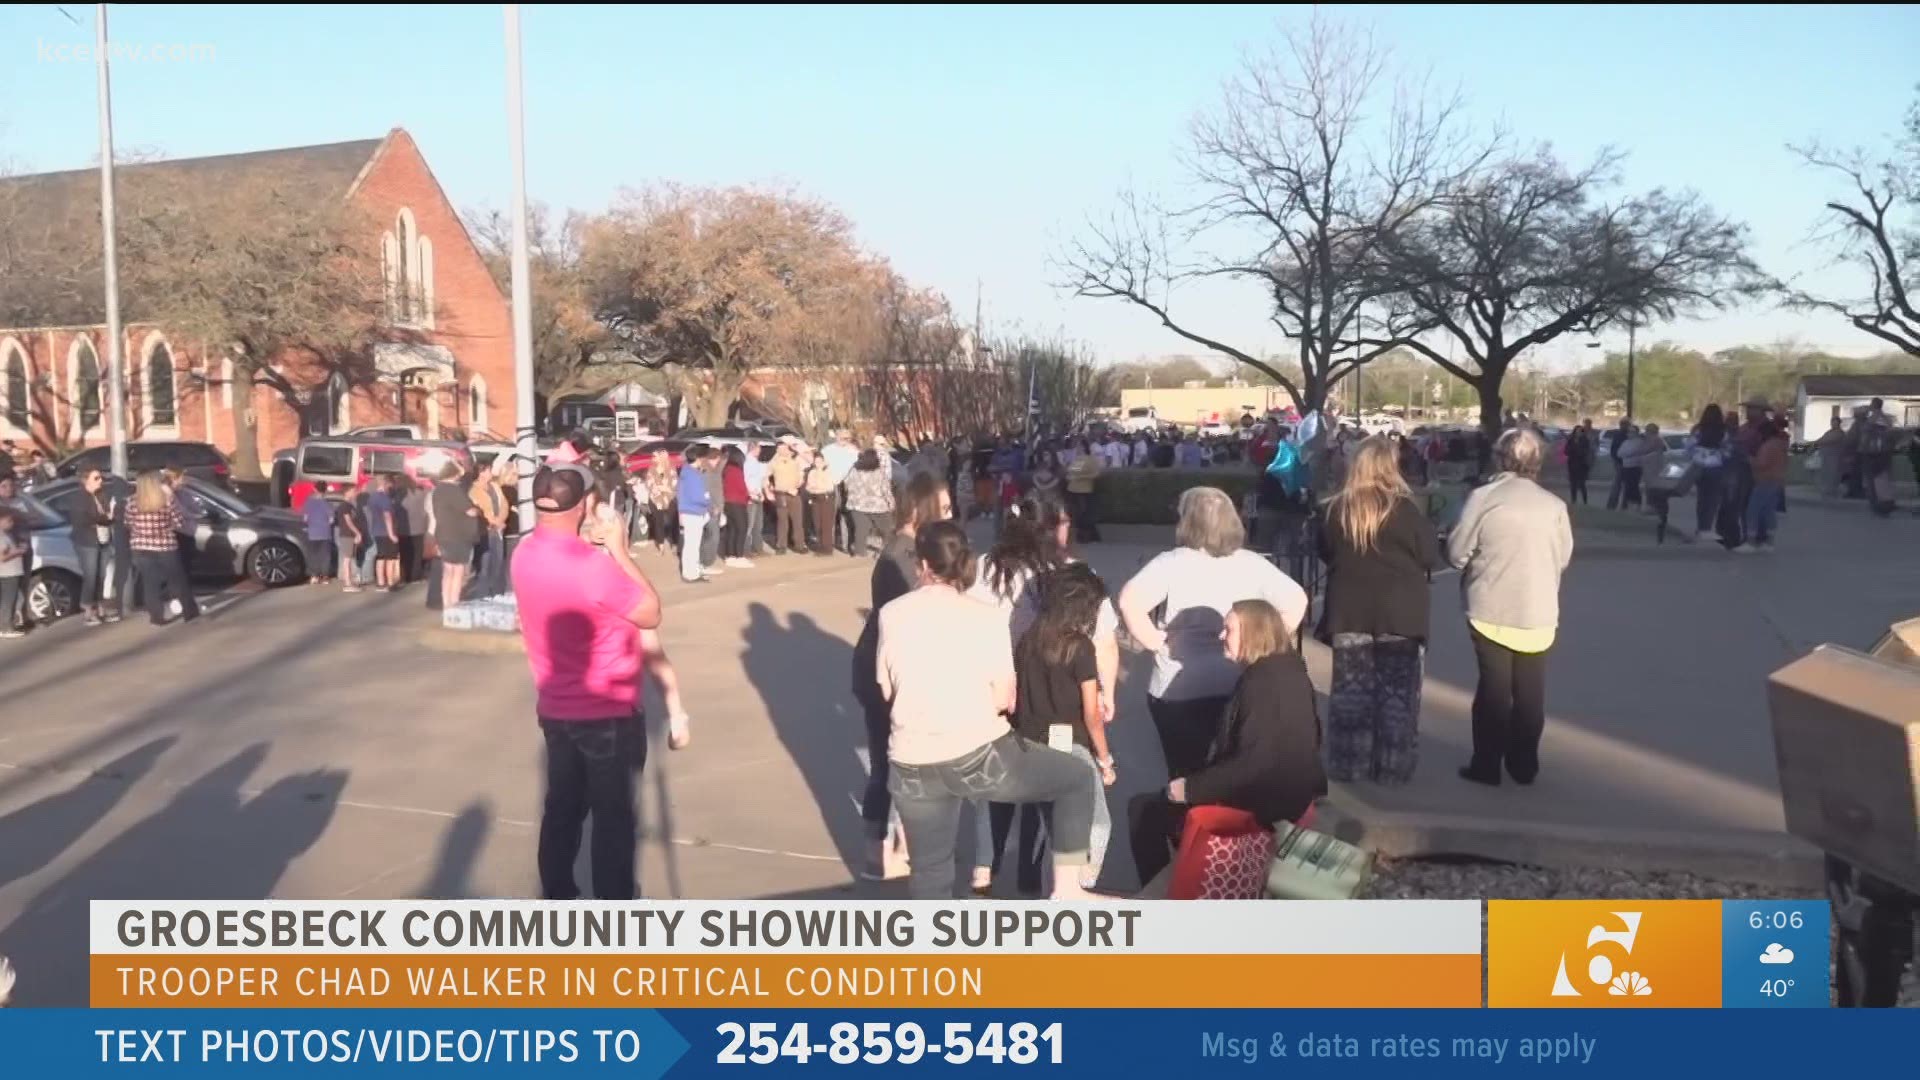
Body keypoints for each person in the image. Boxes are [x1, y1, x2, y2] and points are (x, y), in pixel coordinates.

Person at [874, 521, 1101, 901]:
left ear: (923, 565)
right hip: (978, 756)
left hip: (912, 758)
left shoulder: (891, 613)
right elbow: (1004, 699)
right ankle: (1067, 890)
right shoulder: (986, 616)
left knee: (931, 869)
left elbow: (886, 688)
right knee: (1076, 778)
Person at [510, 462, 664, 900]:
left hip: (556, 707)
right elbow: (650, 611)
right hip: (606, 711)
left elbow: (562, 562)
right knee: (613, 821)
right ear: (581, 506)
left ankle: (558, 896)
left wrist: (587, 544)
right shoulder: (593, 568)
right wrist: (618, 550)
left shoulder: (524, 553)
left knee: (562, 810)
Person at [1127, 598, 1325, 887]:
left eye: (1228, 629)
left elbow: (1254, 762)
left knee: (1144, 811)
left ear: (1253, 633)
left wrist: (1191, 789)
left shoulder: (1261, 683)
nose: (1220, 636)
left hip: (1268, 804)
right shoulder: (1290, 670)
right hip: (1292, 792)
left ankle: (1166, 892)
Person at [1117, 486, 1309, 779]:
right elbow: (1297, 600)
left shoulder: (1172, 562)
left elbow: (1128, 601)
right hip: (1233, 681)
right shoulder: (1252, 564)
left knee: (1183, 771)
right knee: (1226, 770)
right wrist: (1261, 645)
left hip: (1178, 687)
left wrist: (1156, 642)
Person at [1447, 428, 1572, 787]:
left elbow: (1457, 553)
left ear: (1499, 457)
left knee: (1494, 690)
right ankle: (1524, 763)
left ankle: (1487, 763)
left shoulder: (1484, 498)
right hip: (1539, 609)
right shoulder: (1554, 506)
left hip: (1491, 606)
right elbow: (1562, 557)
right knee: (1531, 691)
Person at [1318, 436, 1441, 785]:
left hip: (1350, 608)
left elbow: (1325, 552)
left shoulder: (1336, 509)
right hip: (1401, 611)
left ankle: (1348, 764)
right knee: (1397, 695)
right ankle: (1392, 767)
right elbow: (1430, 556)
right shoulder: (1406, 509)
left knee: (1350, 692)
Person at [849, 473, 950, 880]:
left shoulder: (910, 550)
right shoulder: (903, 557)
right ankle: (883, 852)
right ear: (923, 508)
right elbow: (912, 619)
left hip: (887, 669)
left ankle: (898, 846)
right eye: (943, 509)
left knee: (897, 765)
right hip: (887, 673)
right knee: (895, 766)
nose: (950, 515)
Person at [1010, 564, 1118, 892]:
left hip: (1031, 746)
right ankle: (1074, 893)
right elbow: (1091, 714)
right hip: (1068, 748)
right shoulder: (1079, 647)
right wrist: (1104, 759)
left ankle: (1054, 895)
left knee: (1057, 831)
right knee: (1096, 825)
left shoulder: (1029, 638)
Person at [126, 471, 200, 627]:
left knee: (150, 582)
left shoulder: (132, 502)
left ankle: (156, 617)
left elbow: (128, 522)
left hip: (140, 546)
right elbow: (179, 522)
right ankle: (190, 612)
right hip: (165, 545)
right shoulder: (165, 500)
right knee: (178, 580)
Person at [63, 468, 116, 625]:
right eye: (96, 478)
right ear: (86, 480)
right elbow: (83, 519)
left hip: (103, 538)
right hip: (86, 541)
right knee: (90, 576)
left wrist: (108, 517)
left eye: (101, 477)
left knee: (101, 575)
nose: (100, 480)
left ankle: (101, 608)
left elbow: (107, 515)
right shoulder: (79, 498)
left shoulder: (101, 495)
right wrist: (104, 518)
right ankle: (88, 610)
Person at [431, 462, 481, 606]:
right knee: (458, 570)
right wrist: (477, 509)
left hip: (443, 533)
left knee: (447, 570)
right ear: (454, 474)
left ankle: (446, 602)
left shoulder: (438, 490)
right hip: (458, 534)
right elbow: (470, 511)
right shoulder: (453, 490)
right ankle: (454, 601)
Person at [1736, 420, 1790, 553]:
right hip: (1776, 481)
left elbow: (1761, 464)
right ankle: (1769, 542)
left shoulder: (1768, 446)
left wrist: (1748, 459)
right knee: (1768, 512)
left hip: (1765, 481)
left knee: (1753, 511)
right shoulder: (1780, 444)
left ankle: (1751, 542)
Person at [1687, 404, 1731, 544]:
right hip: (1715, 466)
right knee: (1712, 500)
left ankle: (1700, 528)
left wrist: (1697, 455)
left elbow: (1689, 447)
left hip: (1699, 466)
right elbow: (1728, 451)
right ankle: (1706, 528)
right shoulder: (1723, 431)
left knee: (1702, 498)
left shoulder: (1698, 430)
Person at [471, 458, 513, 597]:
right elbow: (480, 509)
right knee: (485, 564)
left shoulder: (495, 486)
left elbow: (504, 504)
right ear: (481, 472)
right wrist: (494, 521)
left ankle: (497, 593)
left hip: (498, 530)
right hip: (485, 531)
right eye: (489, 470)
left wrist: (501, 519)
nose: (491, 472)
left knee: (499, 563)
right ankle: (483, 595)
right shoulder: (473, 490)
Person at [844, 449, 896, 557]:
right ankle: (887, 552)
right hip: (878, 506)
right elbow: (885, 490)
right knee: (886, 530)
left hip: (857, 505)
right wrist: (891, 503)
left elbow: (847, 484)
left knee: (861, 531)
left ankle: (860, 553)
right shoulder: (879, 472)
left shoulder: (854, 470)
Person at [675, 445, 713, 583]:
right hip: (694, 512)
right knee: (692, 545)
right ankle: (690, 573)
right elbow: (698, 496)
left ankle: (692, 571)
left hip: (689, 511)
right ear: (697, 458)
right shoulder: (693, 475)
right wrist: (707, 499)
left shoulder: (686, 472)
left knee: (691, 544)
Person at [720, 446, 755, 569]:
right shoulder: (736, 470)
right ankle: (739, 555)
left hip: (728, 503)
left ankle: (730, 555)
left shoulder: (726, 469)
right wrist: (749, 496)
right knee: (741, 529)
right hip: (738, 503)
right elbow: (741, 487)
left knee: (732, 530)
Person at [366, 474, 402, 591]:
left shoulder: (372, 497)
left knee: (381, 557)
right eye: (391, 485)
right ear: (387, 484)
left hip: (376, 530)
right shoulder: (384, 498)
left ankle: (381, 582)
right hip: (386, 532)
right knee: (390, 558)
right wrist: (391, 534)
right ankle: (390, 582)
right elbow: (387, 516)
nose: (391, 487)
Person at [769, 440, 805, 554]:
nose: (784, 450)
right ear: (777, 450)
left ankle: (799, 545)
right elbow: (766, 476)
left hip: (794, 494)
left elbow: (801, 477)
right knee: (782, 521)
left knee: (797, 521)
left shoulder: (795, 462)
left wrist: (798, 485)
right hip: (781, 494)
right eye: (781, 448)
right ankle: (781, 546)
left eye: (785, 448)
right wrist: (769, 488)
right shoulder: (773, 463)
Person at [1064, 440, 1102, 544]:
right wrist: (1069, 476)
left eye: (1080, 446)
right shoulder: (1077, 459)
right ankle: (1084, 535)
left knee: (1083, 513)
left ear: (1085, 447)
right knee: (1076, 513)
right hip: (1072, 489)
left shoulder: (1090, 460)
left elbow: (1096, 474)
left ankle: (1086, 536)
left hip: (1084, 490)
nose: (1077, 448)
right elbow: (1072, 472)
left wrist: (1081, 477)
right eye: (1077, 446)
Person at [302, 481, 338, 586]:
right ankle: (325, 577)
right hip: (325, 533)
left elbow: (305, 518)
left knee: (313, 555)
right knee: (325, 556)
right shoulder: (327, 504)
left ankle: (314, 576)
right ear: (325, 490)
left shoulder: (309, 502)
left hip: (312, 533)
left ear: (315, 489)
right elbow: (331, 520)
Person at [642, 450, 677, 556]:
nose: (654, 459)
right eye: (654, 457)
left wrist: (666, 488)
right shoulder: (651, 469)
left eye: (656, 457)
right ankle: (661, 546)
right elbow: (648, 484)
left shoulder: (671, 469)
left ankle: (674, 543)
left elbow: (675, 485)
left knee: (672, 522)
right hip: (655, 499)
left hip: (669, 499)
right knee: (658, 522)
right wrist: (657, 489)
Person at [805, 448, 838, 557]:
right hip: (815, 499)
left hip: (826, 499)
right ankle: (820, 546)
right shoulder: (811, 473)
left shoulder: (828, 472)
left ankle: (827, 547)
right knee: (817, 523)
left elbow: (829, 487)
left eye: (820, 461)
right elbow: (808, 487)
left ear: (824, 462)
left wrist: (817, 487)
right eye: (816, 461)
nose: (818, 463)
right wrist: (814, 488)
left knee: (826, 524)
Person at [334, 483, 367, 594]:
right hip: (347, 535)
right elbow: (348, 521)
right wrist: (357, 533)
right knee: (347, 559)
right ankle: (347, 583)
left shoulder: (350, 505)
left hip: (350, 535)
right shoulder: (344, 506)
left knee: (349, 558)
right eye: (353, 490)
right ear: (347, 492)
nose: (355, 492)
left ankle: (349, 582)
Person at [397, 475, 430, 584]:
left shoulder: (399, 495)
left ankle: (405, 575)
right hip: (419, 528)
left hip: (403, 528)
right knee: (417, 554)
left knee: (404, 553)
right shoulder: (421, 494)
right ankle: (415, 576)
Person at [741, 440, 769, 558]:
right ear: (753, 448)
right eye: (758, 448)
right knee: (749, 524)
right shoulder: (746, 463)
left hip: (758, 495)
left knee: (758, 523)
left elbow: (761, 479)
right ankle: (746, 549)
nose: (760, 450)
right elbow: (745, 480)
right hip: (750, 496)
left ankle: (758, 547)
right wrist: (749, 493)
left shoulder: (757, 463)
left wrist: (762, 492)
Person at [0, 508, 25, 637]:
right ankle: (6, 628)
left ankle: (7, 626)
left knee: (12, 599)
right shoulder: (1, 536)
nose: (12, 523)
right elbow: (2, 557)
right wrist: (18, 552)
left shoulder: (6, 534)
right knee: (8, 601)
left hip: (11, 572)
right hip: (8, 573)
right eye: (9, 521)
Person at [1814, 415, 1846, 500]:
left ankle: (1832, 491)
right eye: (1832, 422)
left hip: (1834, 457)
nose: (1833, 424)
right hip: (1825, 456)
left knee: (1833, 474)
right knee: (1825, 474)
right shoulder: (1829, 432)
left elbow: (1829, 440)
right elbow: (1822, 439)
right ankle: (1826, 491)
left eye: (1835, 422)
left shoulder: (1840, 433)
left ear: (1839, 423)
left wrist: (1819, 442)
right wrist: (1816, 442)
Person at [1604, 419, 1633, 509]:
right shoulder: (1623, 436)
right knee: (1621, 484)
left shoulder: (1619, 435)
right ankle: (1620, 504)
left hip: (1621, 462)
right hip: (1622, 463)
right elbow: (1614, 451)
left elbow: (1613, 451)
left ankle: (1614, 504)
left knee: (1619, 484)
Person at [1564, 419, 1595, 505]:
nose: (1579, 433)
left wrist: (1577, 449)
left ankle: (1585, 502)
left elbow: (1585, 452)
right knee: (1573, 484)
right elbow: (1566, 451)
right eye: (1577, 431)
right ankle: (1573, 500)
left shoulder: (1585, 441)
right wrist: (1573, 448)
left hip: (1582, 465)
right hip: (1572, 464)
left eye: (1580, 431)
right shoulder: (1570, 440)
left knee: (1581, 484)